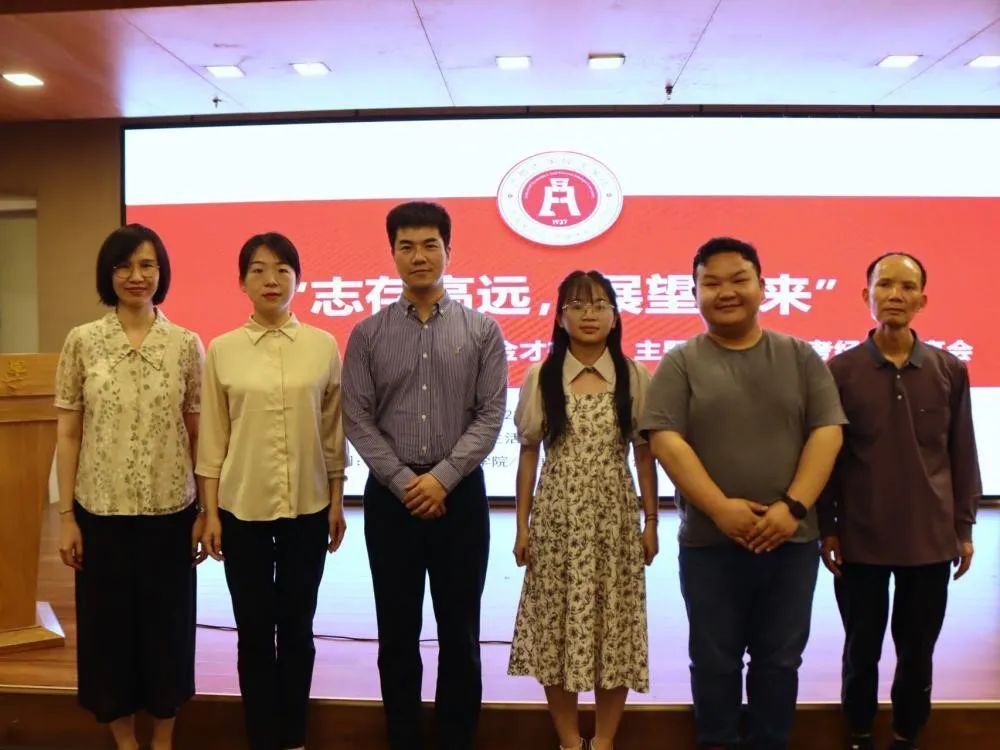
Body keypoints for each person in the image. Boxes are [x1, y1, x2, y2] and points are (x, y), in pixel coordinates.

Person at [639, 236, 846, 750]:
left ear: (762, 286)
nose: (725, 292)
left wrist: (792, 508)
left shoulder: (799, 356)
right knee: (714, 660)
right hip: (710, 544)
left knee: (780, 659)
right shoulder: (681, 361)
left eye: (738, 280)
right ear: (694, 293)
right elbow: (665, 440)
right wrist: (720, 509)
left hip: (790, 541)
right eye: (711, 283)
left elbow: (827, 432)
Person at [341, 201, 507, 750]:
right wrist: (402, 480)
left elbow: (490, 415)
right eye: (406, 246)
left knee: (460, 632)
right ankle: (403, 737)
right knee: (396, 632)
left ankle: (457, 738)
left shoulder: (482, 331)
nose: (419, 256)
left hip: (460, 498)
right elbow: (357, 417)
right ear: (392, 254)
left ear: (448, 251)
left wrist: (442, 478)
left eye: (430, 245)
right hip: (391, 501)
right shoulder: (368, 334)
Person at [818, 253, 981, 750]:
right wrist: (828, 527)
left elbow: (962, 452)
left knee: (917, 651)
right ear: (865, 295)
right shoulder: (839, 371)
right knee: (861, 648)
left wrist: (964, 528)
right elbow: (827, 459)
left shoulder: (948, 369)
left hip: (929, 539)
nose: (895, 295)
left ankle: (907, 735)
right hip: (860, 538)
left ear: (922, 300)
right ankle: (859, 733)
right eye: (884, 285)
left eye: (907, 287)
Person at [54, 224, 204, 750]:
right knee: (107, 634)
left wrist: (205, 512)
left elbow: (197, 432)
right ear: (108, 273)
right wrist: (67, 516)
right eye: (124, 266)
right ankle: (124, 741)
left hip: (171, 513)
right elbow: (69, 432)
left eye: (147, 265)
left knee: (168, 631)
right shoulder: (82, 341)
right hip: (101, 513)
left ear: (161, 272)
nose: (136, 276)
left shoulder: (185, 345)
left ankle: (162, 738)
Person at [197, 232, 347, 750]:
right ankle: (263, 736)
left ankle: (294, 736)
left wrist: (336, 501)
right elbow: (213, 437)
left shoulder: (322, 346)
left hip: (309, 506)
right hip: (242, 508)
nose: (271, 280)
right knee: (255, 629)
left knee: (299, 626)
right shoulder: (223, 350)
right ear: (242, 281)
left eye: (283, 270)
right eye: (258, 270)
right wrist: (210, 513)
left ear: (298, 280)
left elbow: (332, 432)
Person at [508, 270, 659, 750]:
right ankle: (570, 741)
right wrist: (522, 527)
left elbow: (645, 455)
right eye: (577, 305)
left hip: (615, 519)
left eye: (599, 305)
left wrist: (651, 522)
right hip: (557, 519)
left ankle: (606, 740)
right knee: (556, 627)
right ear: (560, 317)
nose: (589, 314)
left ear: (615, 316)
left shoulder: (634, 375)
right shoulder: (542, 376)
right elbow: (528, 455)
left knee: (615, 627)